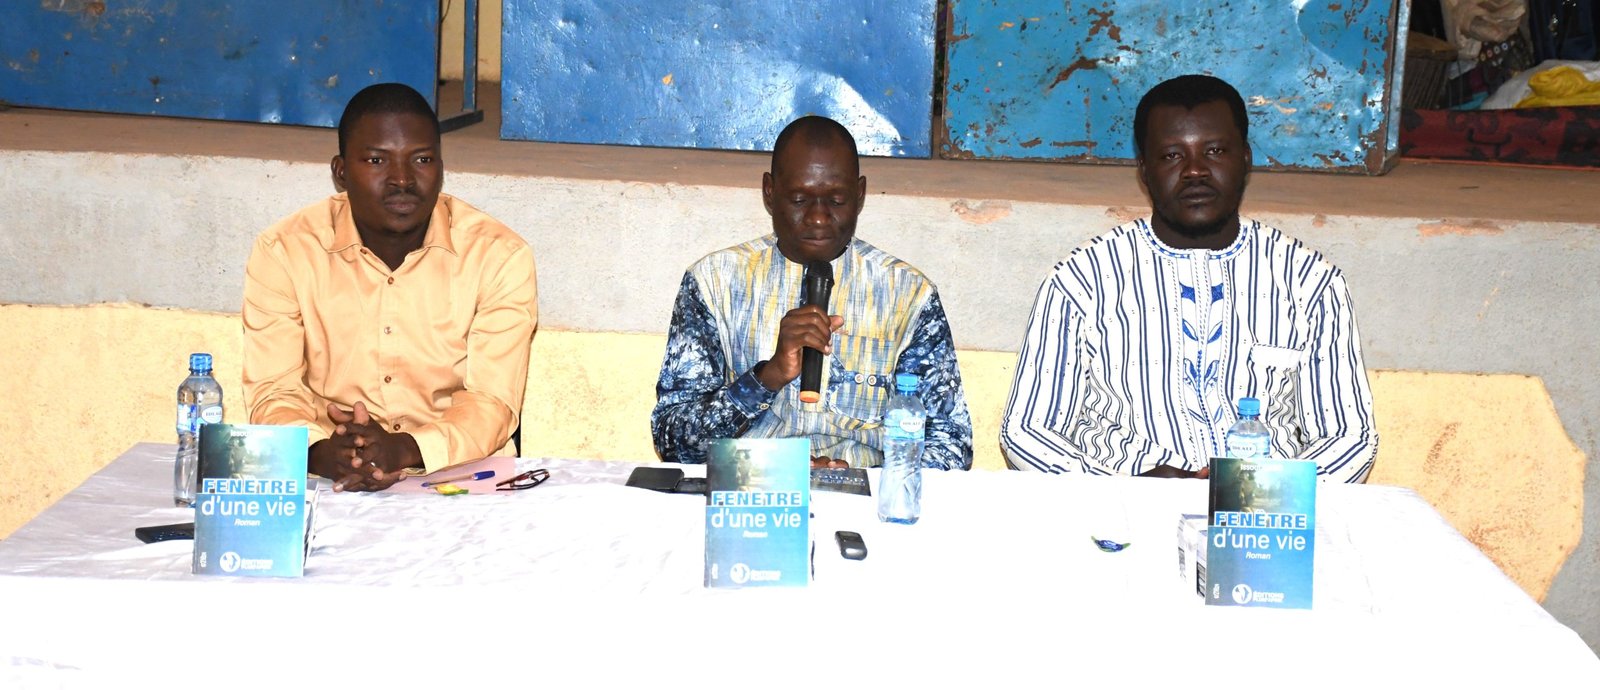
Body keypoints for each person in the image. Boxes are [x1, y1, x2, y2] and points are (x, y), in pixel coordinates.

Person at [1000, 74, 1377, 481]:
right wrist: (1124, 489)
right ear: (1144, 170)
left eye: (1214, 151)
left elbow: (1351, 437)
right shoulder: (1083, 281)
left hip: (1264, 510)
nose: (1195, 171)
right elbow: (1026, 431)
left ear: (1245, 158)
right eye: (1171, 156)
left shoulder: (1310, 282)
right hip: (1121, 506)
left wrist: (1255, 489)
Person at [243, 83, 538, 492]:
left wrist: (402, 449)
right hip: (328, 478)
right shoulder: (285, 252)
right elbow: (274, 391)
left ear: (441, 167)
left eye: (422, 159)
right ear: (341, 172)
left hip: (461, 479)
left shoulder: (498, 255)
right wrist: (321, 453)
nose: (402, 179)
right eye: (377, 160)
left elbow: (492, 401)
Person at [652, 116, 973, 470]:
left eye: (836, 200)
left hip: (867, 487)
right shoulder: (714, 282)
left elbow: (951, 445)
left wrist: (868, 480)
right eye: (799, 199)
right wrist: (768, 376)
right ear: (770, 192)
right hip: (751, 484)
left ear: (860, 195)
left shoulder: (908, 294)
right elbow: (674, 441)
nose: (818, 218)